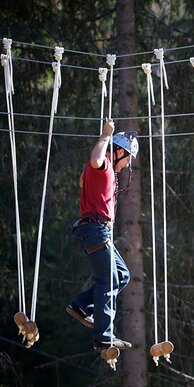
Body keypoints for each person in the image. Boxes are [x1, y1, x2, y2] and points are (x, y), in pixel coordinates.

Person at [66, 119, 139, 350]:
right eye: (128, 158)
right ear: (119, 151)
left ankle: (80, 306)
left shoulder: (104, 172)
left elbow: (82, 181)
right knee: (107, 281)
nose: (128, 164)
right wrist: (106, 135)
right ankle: (103, 337)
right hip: (96, 229)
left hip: (99, 230)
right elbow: (96, 159)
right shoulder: (103, 164)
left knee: (122, 275)